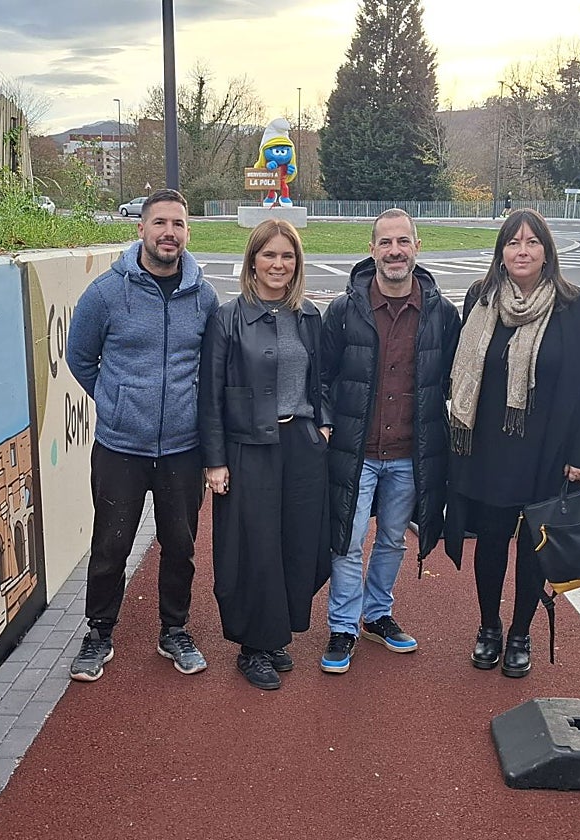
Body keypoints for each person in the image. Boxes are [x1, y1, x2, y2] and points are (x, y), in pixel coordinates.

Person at [445, 208, 580, 678]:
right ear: (500, 253)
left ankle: (521, 632)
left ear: (546, 252)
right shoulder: (480, 299)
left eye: (532, 242)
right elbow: (466, 370)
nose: (522, 250)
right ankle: (489, 628)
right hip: (490, 447)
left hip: (547, 449)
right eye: (512, 242)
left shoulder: (575, 308)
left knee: (535, 542)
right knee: (492, 539)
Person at [65, 188, 220, 682]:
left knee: (180, 545)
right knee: (111, 545)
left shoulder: (204, 296)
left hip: (182, 449)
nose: (168, 233)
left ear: (187, 233)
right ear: (141, 230)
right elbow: (79, 357)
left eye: (178, 224)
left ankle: (174, 630)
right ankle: (99, 633)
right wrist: (115, 403)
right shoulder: (107, 293)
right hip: (120, 448)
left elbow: (212, 368)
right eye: (160, 223)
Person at [319, 209, 461, 674]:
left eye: (403, 242)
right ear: (371, 249)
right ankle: (343, 625)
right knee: (348, 540)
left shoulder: (442, 314)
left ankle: (377, 613)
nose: (394, 251)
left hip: (409, 456)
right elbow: (322, 377)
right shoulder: (344, 311)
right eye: (385, 243)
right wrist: (325, 424)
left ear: (417, 247)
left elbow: (452, 385)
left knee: (393, 540)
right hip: (355, 452)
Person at [198, 219, 330, 690]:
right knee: (252, 546)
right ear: (252, 260)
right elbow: (210, 395)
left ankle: (276, 635)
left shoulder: (309, 317)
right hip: (248, 446)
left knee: (297, 542)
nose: (279, 264)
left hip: (301, 447)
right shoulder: (228, 318)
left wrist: (323, 425)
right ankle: (252, 646)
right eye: (270, 254)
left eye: (288, 256)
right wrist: (215, 461)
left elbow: (323, 379)